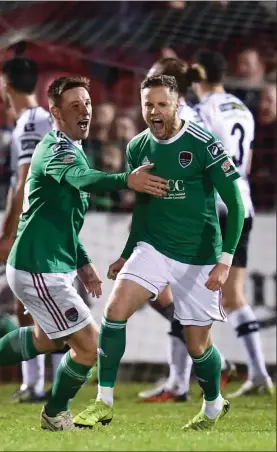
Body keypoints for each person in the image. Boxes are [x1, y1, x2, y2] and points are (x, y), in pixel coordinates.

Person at [0, 75, 168, 431]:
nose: (85, 111)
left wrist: (83, 264)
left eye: (88, 104)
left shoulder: (74, 147)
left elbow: (65, 220)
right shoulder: (56, 149)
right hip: (37, 266)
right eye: (74, 106)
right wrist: (127, 179)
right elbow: (82, 179)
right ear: (56, 112)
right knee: (90, 346)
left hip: (49, 263)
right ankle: (54, 413)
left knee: (45, 338)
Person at [73, 74, 245, 431]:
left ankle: (213, 403)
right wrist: (126, 253)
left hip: (198, 255)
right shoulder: (137, 146)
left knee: (198, 346)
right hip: (153, 247)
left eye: (162, 104)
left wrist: (225, 261)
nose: (154, 112)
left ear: (177, 104)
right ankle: (103, 401)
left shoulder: (203, 143)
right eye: (147, 105)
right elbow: (143, 207)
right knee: (115, 310)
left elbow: (236, 205)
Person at [139, 57, 234, 403]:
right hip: (180, 218)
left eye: (152, 80)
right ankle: (181, 381)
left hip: (189, 221)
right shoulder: (185, 116)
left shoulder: (186, 122)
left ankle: (190, 377)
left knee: (161, 293)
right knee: (169, 299)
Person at [192, 50, 273, 398]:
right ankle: (258, 373)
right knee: (234, 294)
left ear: (197, 75)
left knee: (189, 291)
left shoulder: (201, 111)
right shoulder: (242, 108)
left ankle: (194, 376)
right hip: (244, 203)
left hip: (215, 207)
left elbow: (197, 162)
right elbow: (248, 161)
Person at [0, 57, 53, 402]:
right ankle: (34, 385)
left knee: (33, 309)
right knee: (27, 309)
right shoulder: (38, 120)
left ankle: (40, 383)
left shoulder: (31, 122)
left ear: (6, 87)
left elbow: (25, 183)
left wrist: (9, 237)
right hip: (43, 227)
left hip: (37, 229)